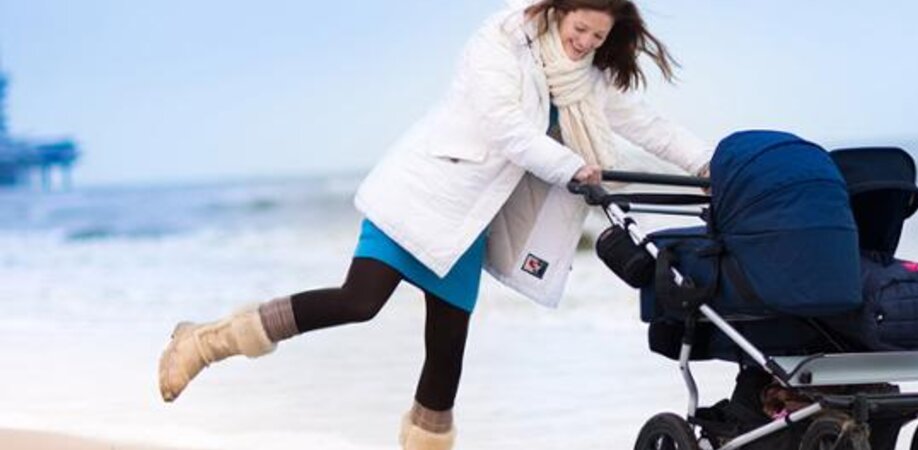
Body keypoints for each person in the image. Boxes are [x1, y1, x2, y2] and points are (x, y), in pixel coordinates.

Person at [156, 1, 711, 449]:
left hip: (470, 222)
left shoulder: (584, 80)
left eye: (598, 35)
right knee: (359, 301)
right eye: (580, 28)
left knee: (447, 349)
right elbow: (505, 129)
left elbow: (646, 124)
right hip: (424, 194)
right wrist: (571, 167)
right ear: (555, 12)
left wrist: (713, 165)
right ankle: (207, 341)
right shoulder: (499, 43)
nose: (586, 42)